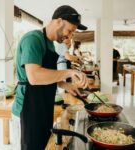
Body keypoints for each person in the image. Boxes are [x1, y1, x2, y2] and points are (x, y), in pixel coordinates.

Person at [10, 5, 88, 150]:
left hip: (43, 107)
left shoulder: (50, 44)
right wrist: (69, 72)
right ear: (59, 21)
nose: (69, 37)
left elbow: (47, 75)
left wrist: (66, 85)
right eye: (69, 31)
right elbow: (34, 77)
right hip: (27, 111)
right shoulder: (33, 39)